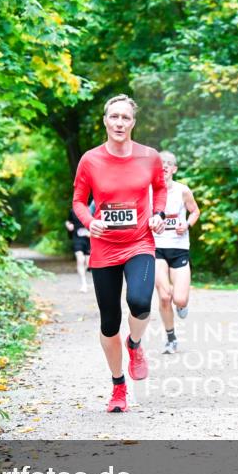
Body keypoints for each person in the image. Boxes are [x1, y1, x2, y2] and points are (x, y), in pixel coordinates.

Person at [72, 94, 166, 413]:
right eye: (114, 117)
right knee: (109, 322)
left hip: (140, 242)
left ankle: (135, 344)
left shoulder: (149, 156)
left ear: (133, 123)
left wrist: (160, 214)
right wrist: (90, 222)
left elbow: (162, 187)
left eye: (126, 118)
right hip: (104, 249)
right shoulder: (90, 160)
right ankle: (118, 387)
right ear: (105, 121)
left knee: (140, 303)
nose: (120, 123)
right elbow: (78, 201)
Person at [153, 151, 200, 354]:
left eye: (168, 163)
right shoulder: (147, 191)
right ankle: (171, 338)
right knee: (164, 296)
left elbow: (195, 211)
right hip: (155, 247)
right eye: (160, 163)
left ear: (174, 169)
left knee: (179, 299)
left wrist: (186, 224)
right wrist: (152, 223)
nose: (164, 166)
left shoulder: (183, 190)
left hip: (179, 248)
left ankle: (181, 305)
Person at [64, 201, 94, 292]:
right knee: (80, 260)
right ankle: (84, 283)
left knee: (88, 263)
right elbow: (68, 221)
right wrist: (69, 225)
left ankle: (86, 280)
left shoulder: (90, 210)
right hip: (77, 238)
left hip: (88, 239)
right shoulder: (73, 211)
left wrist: (91, 232)